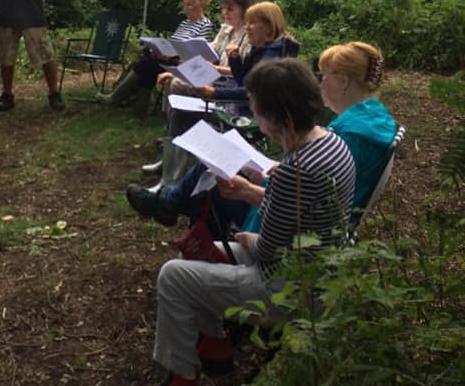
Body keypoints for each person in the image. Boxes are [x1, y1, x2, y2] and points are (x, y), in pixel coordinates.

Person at [130, 58, 356, 386]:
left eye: (257, 110)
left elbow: (267, 249)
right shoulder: (331, 144)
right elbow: (301, 203)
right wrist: (251, 191)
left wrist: (245, 237)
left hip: (290, 287)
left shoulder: (294, 171)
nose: (255, 117)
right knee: (202, 254)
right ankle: (215, 345)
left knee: (173, 275)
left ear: (276, 114)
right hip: (320, 270)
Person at [127, 42, 397, 240]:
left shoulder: (352, 135)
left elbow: (306, 199)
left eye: (324, 75)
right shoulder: (374, 121)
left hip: (303, 232)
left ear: (343, 81)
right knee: (224, 158)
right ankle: (171, 204)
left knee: (215, 179)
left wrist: (258, 183)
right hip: (308, 208)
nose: (319, 82)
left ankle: (206, 265)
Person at [141, 0, 254, 184]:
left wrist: (216, 69)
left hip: (227, 85)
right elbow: (207, 52)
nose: (225, 13)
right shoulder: (225, 30)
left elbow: (242, 74)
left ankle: (173, 156)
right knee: (173, 81)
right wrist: (177, 64)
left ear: (244, 10)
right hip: (212, 77)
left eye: (231, 9)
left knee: (179, 92)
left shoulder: (249, 35)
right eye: (223, 8)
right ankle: (172, 151)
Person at [97, 0, 214, 113]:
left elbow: (197, 53)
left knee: (145, 64)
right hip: (168, 59)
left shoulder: (205, 25)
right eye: (185, 4)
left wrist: (173, 56)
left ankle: (120, 101)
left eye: (190, 4)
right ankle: (137, 110)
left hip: (182, 64)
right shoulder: (185, 23)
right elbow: (173, 43)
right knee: (148, 63)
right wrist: (160, 50)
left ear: (201, 5)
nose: (185, 8)